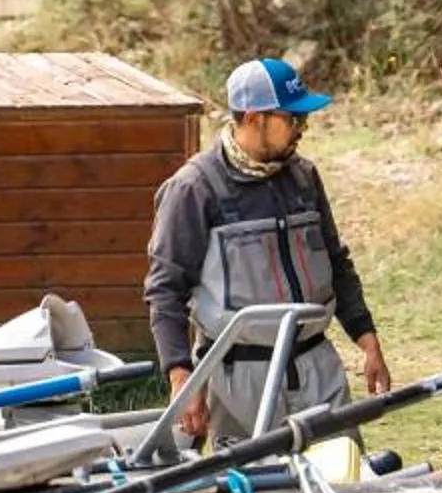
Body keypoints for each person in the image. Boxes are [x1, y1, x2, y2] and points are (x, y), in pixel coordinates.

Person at [145, 55, 393, 447]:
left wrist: (367, 339)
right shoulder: (193, 189)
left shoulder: (304, 177)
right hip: (241, 378)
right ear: (254, 118)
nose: (302, 129)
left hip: (317, 368)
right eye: (292, 119)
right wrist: (182, 379)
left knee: (345, 481)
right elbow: (165, 291)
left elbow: (335, 261)